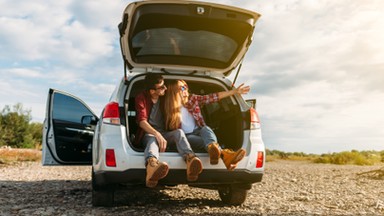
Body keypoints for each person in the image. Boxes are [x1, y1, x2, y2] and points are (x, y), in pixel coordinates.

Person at [164, 80, 250, 171]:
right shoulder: (167, 106)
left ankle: (213, 149)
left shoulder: (192, 100)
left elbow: (212, 97)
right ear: (173, 91)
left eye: (186, 86)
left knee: (206, 129)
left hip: (198, 131)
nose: (185, 89)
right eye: (182, 87)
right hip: (185, 138)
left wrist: (234, 91)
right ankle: (225, 156)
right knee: (204, 141)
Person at [134, 74, 203, 187]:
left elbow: (180, 96)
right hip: (148, 133)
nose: (165, 88)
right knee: (152, 140)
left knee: (179, 133)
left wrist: (184, 89)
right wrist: (157, 134)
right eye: (161, 87)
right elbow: (142, 121)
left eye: (164, 85)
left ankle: (190, 160)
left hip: (165, 133)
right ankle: (152, 166)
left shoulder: (165, 97)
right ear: (152, 91)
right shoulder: (141, 98)